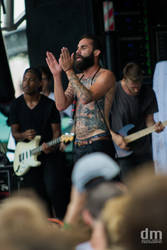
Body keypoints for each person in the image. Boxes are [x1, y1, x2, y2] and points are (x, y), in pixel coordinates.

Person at [9, 67, 70, 219]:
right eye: (24, 79)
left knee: (54, 190)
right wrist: (23, 134)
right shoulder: (16, 105)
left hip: (49, 156)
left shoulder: (50, 105)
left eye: (31, 79)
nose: (26, 83)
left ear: (39, 84)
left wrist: (52, 145)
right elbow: (15, 133)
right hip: (28, 157)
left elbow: (58, 133)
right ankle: (46, 226)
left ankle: (64, 224)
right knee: (37, 196)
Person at [46, 34, 116, 163]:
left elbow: (85, 97)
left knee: (102, 184)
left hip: (98, 142)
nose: (78, 52)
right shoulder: (77, 78)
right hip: (78, 146)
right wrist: (56, 75)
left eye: (83, 48)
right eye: (78, 48)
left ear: (96, 52)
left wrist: (68, 71)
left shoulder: (106, 75)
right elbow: (60, 105)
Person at [110, 62, 164, 179]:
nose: (136, 89)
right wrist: (115, 137)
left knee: (148, 188)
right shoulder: (113, 91)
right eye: (132, 85)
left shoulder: (148, 92)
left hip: (143, 150)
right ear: (124, 79)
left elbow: (149, 121)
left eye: (138, 84)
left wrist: (156, 127)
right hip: (121, 150)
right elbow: (101, 120)